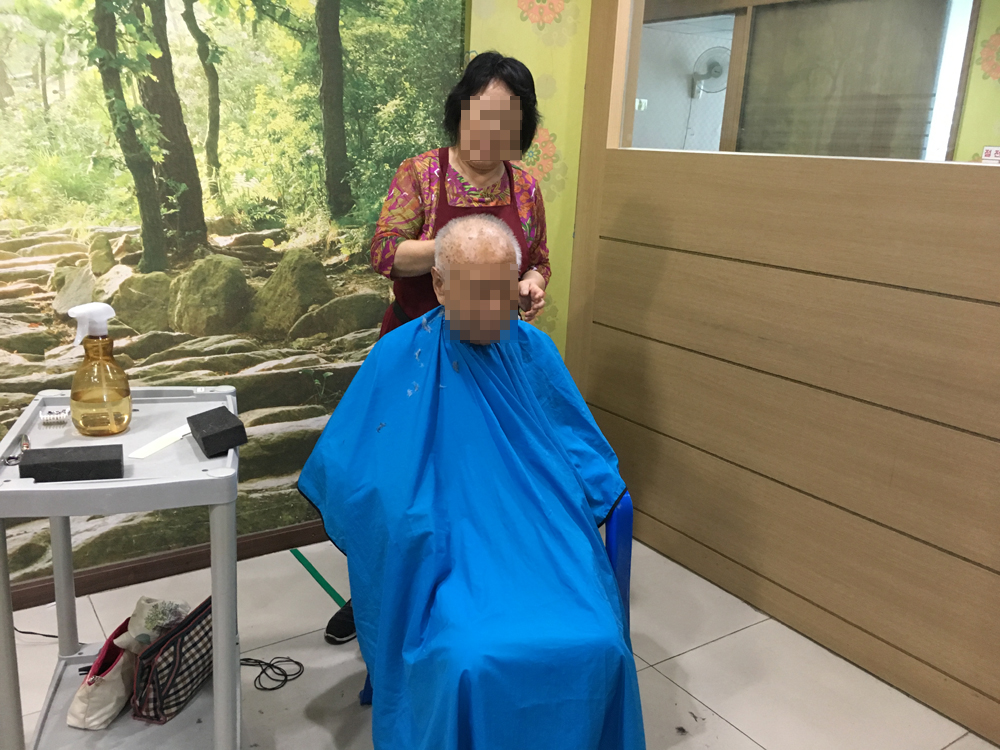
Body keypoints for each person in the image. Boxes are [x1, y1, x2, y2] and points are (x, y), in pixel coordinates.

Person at [298, 214, 645, 750]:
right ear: (438, 285)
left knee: (599, 643)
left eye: (500, 293)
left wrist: (586, 496)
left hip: (539, 542)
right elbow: (354, 473)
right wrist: (415, 519)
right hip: (443, 551)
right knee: (470, 657)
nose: (489, 310)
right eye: (473, 293)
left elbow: (584, 454)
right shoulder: (399, 355)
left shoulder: (534, 351)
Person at [325, 51, 550, 645]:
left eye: (507, 120)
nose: (492, 132)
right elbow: (384, 252)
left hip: (492, 357)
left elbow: (538, 260)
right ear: (460, 111)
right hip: (416, 354)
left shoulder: (525, 187)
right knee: (400, 485)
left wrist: (531, 283)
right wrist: (461, 246)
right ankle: (375, 590)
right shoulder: (422, 174)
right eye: (483, 115)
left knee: (481, 482)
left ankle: (474, 585)